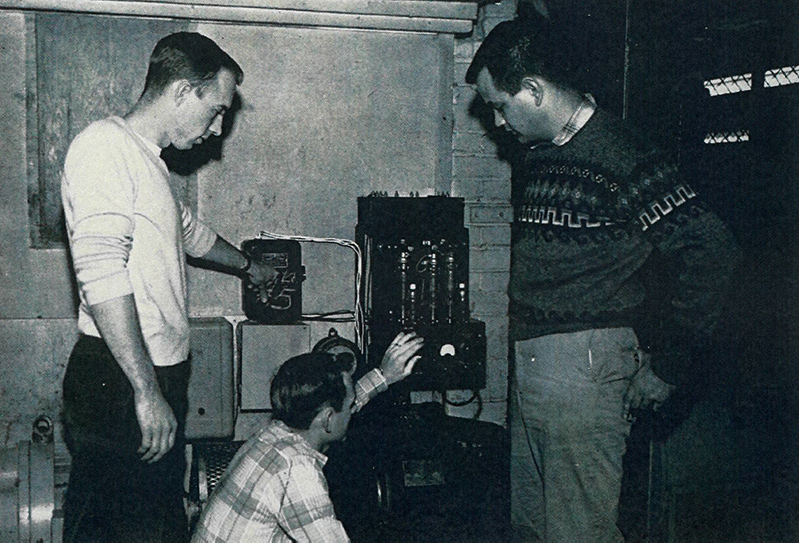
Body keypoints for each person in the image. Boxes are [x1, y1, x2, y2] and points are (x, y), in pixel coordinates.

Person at [465, 18, 741, 542]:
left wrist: (671, 362)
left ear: (533, 90)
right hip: (532, 362)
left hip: (584, 368)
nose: (498, 123)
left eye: (501, 106)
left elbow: (712, 248)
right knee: (532, 526)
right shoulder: (543, 153)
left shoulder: (625, 155)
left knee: (578, 531)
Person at [60, 32, 278, 542]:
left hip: (150, 377)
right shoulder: (103, 147)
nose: (218, 127)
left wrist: (250, 267)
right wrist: (144, 390)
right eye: (216, 110)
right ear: (182, 91)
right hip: (119, 379)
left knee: (157, 525)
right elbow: (100, 272)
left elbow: (190, 235)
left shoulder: (146, 160)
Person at [191, 331, 423, 542]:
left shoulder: (274, 434)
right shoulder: (297, 471)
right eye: (350, 405)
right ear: (328, 419)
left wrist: (384, 375)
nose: (352, 410)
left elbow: (335, 408)